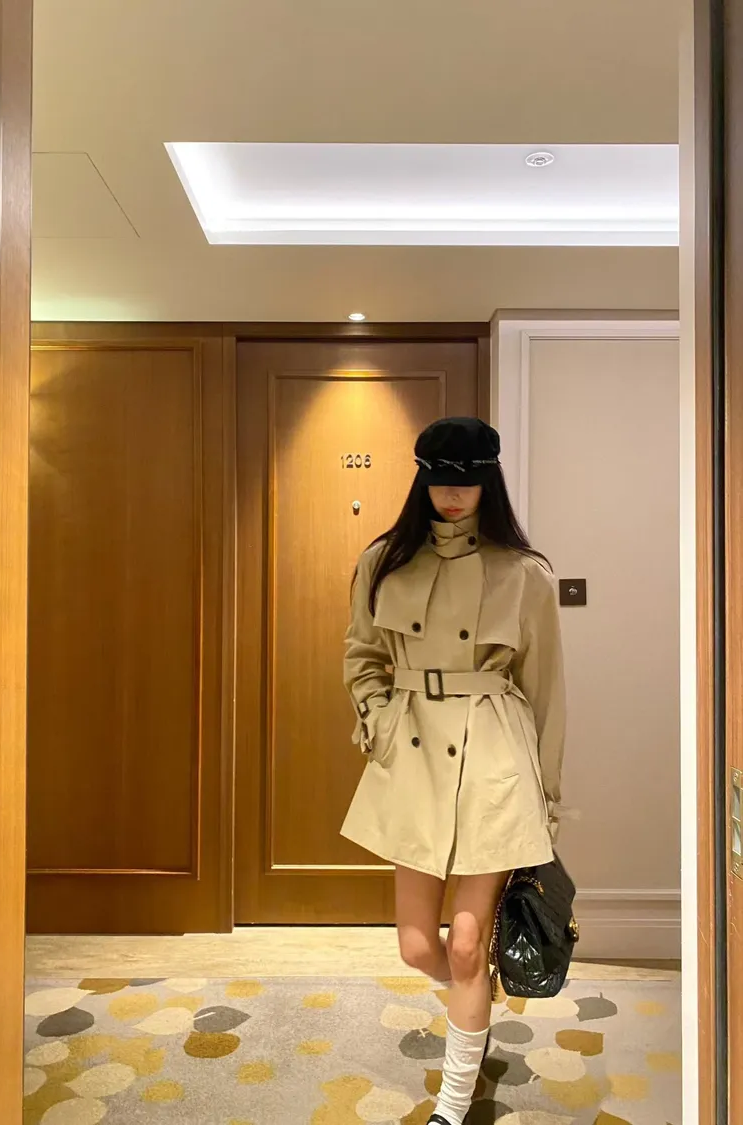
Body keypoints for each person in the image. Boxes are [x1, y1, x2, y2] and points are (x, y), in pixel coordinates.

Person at [341, 417, 567, 1125]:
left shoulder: (524, 574)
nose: (453, 493)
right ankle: (477, 1000)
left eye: (466, 480)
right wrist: (378, 721)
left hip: (495, 757)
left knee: (466, 944)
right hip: (412, 759)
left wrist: (548, 799)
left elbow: (547, 692)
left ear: (488, 481)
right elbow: (361, 657)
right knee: (418, 946)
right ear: (423, 479)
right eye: (440, 478)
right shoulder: (383, 562)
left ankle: (453, 1100)